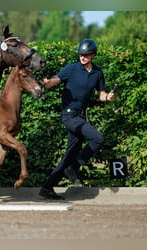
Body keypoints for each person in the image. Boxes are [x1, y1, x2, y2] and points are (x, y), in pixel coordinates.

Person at [39, 39, 115, 200]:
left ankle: (47, 187)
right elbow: (55, 81)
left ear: (93, 55)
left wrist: (108, 97)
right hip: (69, 115)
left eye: (86, 55)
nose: (83, 57)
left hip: (80, 116)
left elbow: (101, 95)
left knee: (69, 154)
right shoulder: (71, 69)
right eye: (81, 54)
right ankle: (73, 168)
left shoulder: (98, 73)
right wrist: (46, 83)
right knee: (97, 138)